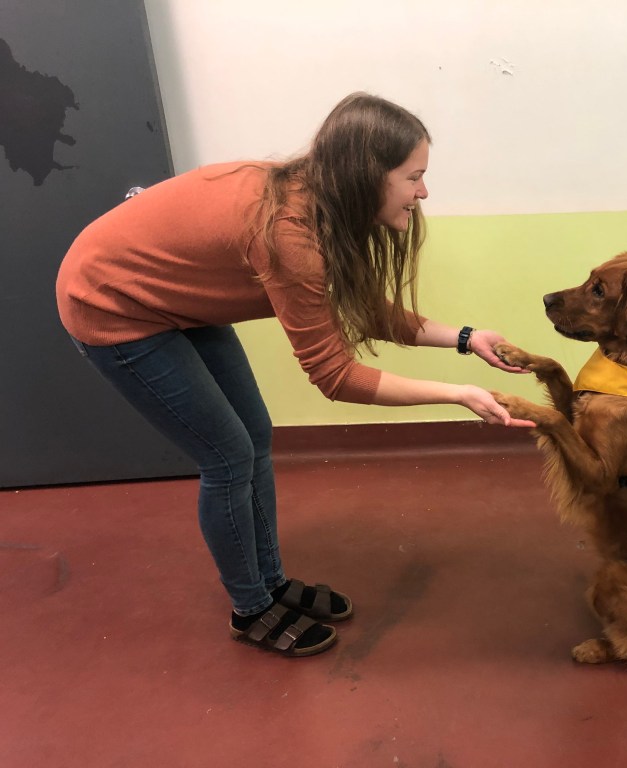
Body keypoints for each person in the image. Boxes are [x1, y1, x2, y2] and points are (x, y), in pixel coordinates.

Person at [55, 92, 534, 658]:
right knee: (227, 455)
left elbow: (357, 305)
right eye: (414, 177)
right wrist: (458, 394)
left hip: (174, 299)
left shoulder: (320, 202)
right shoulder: (288, 232)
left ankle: (271, 582)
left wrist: (464, 338)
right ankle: (251, 608)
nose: (423, 192)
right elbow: (336, 377)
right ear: (366, 175)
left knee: (253, 435)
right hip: (112, 304)